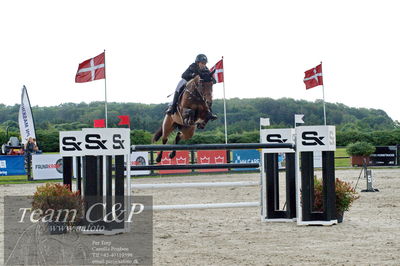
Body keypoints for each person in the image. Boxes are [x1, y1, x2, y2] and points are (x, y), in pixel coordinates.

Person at [166, 54, 217, 121]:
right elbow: (183, 75)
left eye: (205, 63)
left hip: (198, 86)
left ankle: (209, 112)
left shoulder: (206, 69)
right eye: (202, 63)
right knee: (178, 87)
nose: (204, 65)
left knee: (207, 95)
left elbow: (210, 78)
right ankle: (173, 106)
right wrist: (192, 75)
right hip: (187, 81)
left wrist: (212, 79)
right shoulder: (192, 66)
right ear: (197, 62)